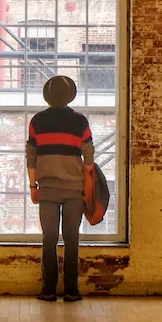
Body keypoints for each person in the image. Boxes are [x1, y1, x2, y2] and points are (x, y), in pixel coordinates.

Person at [25, 76, 94, 302]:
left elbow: (31, 156)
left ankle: (48, 290)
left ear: (48, 95)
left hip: (47, 188)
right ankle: (72, 291)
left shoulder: (37, 121)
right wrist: (88, 183)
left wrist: (33, 186)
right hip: (75, 187)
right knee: (72, 238)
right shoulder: (80, 121)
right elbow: (89, 157)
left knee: (49, 238)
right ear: (70, 95)